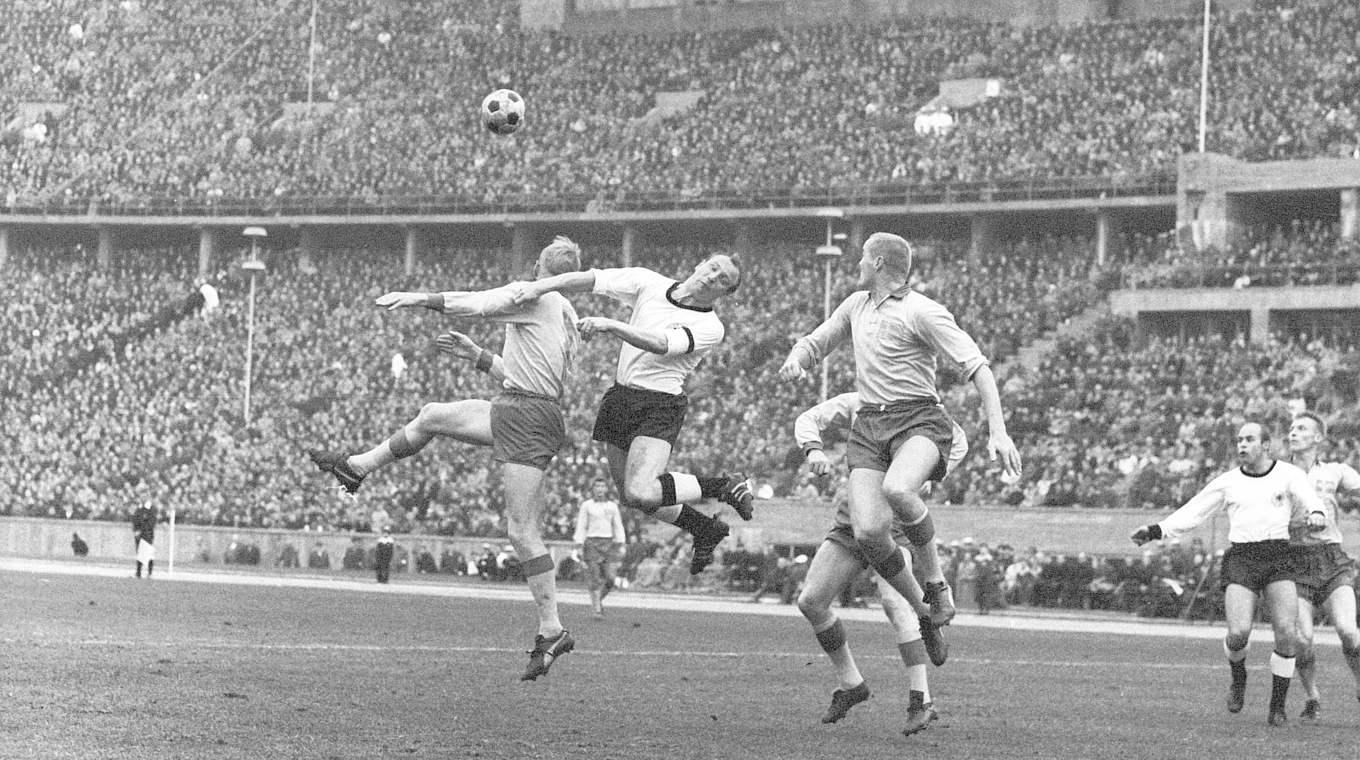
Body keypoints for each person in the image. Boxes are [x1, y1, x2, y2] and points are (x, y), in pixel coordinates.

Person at [309, 236, 584, 681]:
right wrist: (480, 357)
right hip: (523, 406)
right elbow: (530, 372)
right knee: (432, 415)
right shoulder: (564, 311)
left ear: (537, 267)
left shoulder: (535, 295)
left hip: (527, 414)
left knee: (521, 531)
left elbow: (476, 304)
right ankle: (356, 467)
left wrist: (420, 298)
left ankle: (551, 628)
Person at [779, 232, 1022, 636]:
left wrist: (999, 432)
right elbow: (817, 341)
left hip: (918, 419)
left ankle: (937, 583)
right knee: (869, 531)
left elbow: (978, 367)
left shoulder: (922, 311)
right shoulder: (856, 305)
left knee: (898, 489)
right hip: (871, 424)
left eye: (861, 258)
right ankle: (925, 612)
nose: (856, 265)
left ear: (876, 263)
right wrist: (797, 359)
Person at [509, 252, 753, 575]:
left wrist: (611, 325)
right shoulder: (650, 282)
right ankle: (704, 528)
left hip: (660, 404)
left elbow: (661, 344)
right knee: (632, 497)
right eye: (713, 268)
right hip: (621, 398)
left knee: (642, 489)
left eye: (724, 280)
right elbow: (590, 278)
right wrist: (539, 288)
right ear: (699, 264)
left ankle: (724, 485)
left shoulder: (710, 326)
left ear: (725, 293)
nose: (713, 277)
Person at [794, 391, 968, 736]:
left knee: (893, 603)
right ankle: (852, 684)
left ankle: (922, 700)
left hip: (893, 522)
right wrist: (813, 449)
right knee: (811, 602)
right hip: (851, 518)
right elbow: (807, 419)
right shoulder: (860, 401)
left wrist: (930, 476)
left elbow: (957, 443)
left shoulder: (929, 413)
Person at [1131, 422, 1325, 726]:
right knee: (1237, 634)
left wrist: (1317, 513)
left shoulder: (1288, 474)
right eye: (1239, 440)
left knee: (1287, 632)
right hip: (1243, 557)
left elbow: (1310, 498)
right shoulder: (1228, 482)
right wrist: (1156, 530)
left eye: (1249, 439)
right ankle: (1238, 677)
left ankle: (1277, 708)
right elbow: (1194, 511)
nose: (1242, 445)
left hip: (1278, 555)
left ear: (1265, 445)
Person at [1285, 412, 1360, 721]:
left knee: (1347, 631)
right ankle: (1313, 696)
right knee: (1302, 640)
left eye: (1301, 428)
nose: (1293, 432)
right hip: (1293, 560)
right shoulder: (1278, 474)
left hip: (1331, 559)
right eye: (1291, 428)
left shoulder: (1336, 471)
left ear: (1317, 438)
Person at [573, 478, 627, 618]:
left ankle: (598, 601)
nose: (600, 489)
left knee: (610, 578)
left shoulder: (612, 506)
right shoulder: (587, 506)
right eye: (597, 486)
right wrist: (579, 544)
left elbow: (617, 525)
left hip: (608, 543)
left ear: (606, 489)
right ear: (593, 489)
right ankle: (597, 609)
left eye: (602, 486)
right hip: (592, 543)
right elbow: (582, 525)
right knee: (595, 578)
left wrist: (621, 543)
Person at [131, 501, 157, 579]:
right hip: (139, 536)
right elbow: (135, 520)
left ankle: (150, 573)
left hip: (147, 535)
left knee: (148, 554)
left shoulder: (151, 509)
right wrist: (136, 530)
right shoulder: (139, 508)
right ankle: (138, 573)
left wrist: (141, 530)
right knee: (140, 554)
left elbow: (151, 523)